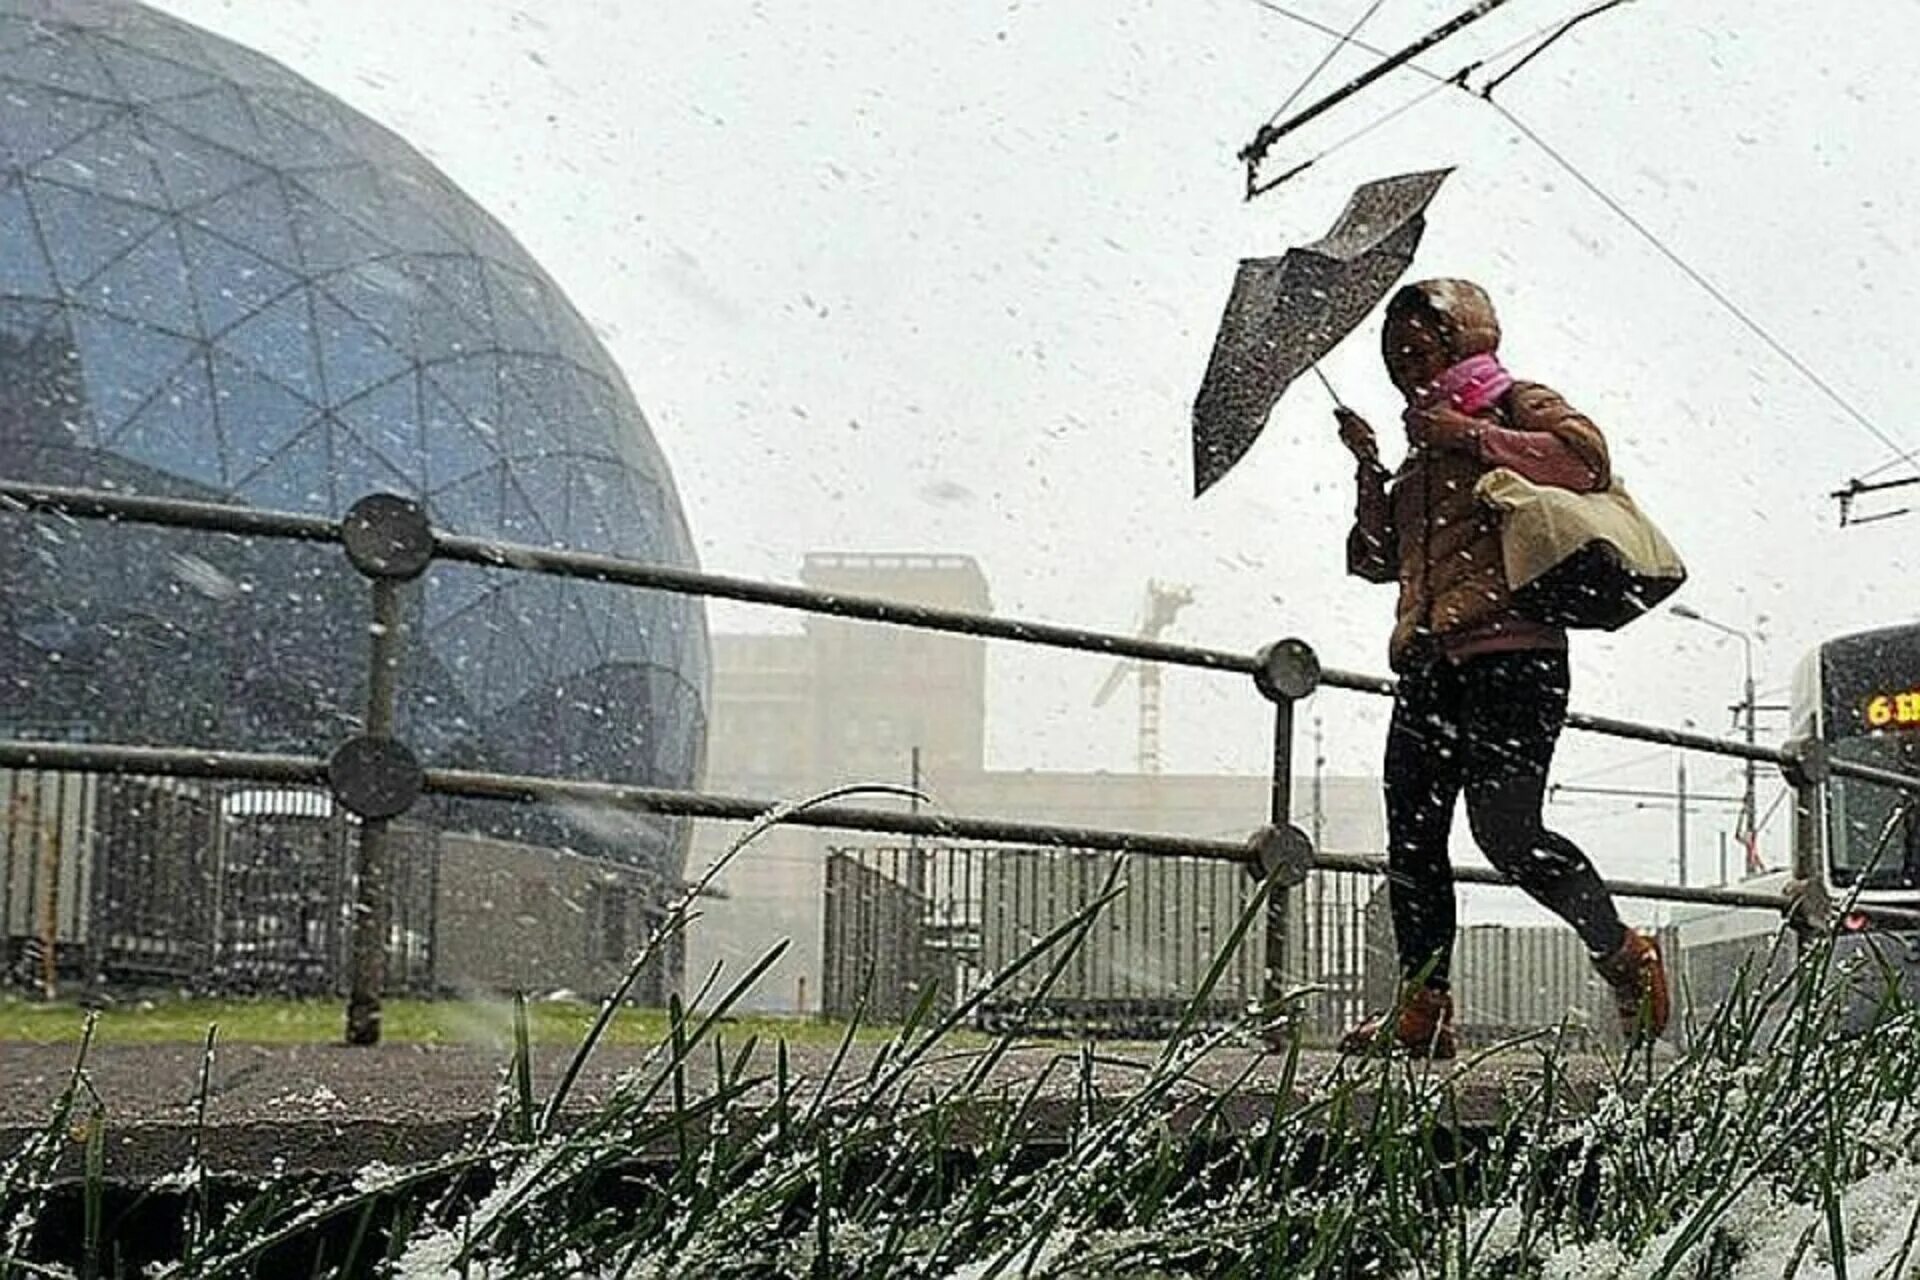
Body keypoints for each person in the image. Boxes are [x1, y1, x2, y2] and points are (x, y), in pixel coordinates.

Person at [1335, 278, 1669, 1058]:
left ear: (1463, 340)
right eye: (1394, 354)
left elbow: (1586, 462)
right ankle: (1424, 1012)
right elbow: (1380, 562)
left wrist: (1469, 435)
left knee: (1507, 833)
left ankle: (1623, 951)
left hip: (1515, 660)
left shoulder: (1513, 400)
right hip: (1427, 664)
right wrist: (1368, 468)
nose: (1404, 364)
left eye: (1419, 346)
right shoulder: (1416, 446)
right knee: (1412, 840)